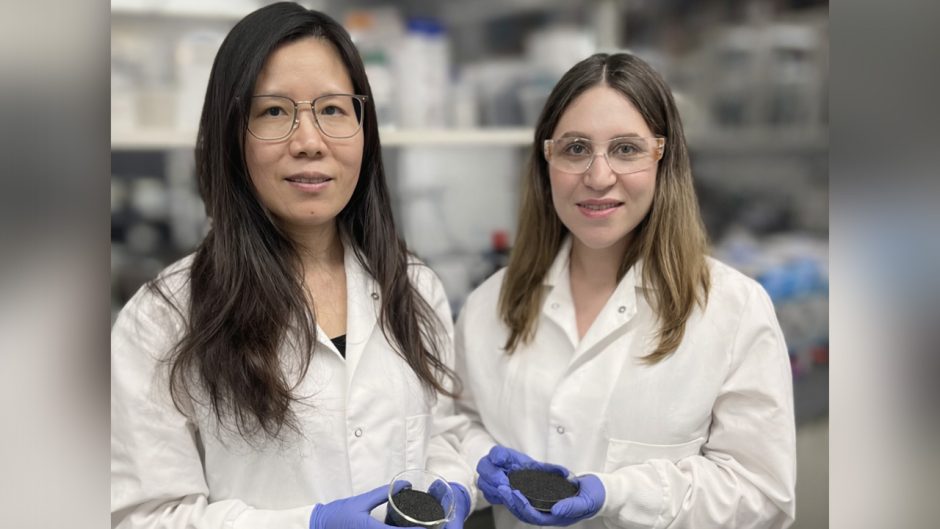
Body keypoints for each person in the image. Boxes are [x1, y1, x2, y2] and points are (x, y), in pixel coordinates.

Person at [111, 3, 473, 528]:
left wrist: (451, 487)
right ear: (233, 134)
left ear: (364, 128)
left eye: (332, 110)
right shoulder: (164, 318)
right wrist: (311, 524)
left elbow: (440, 437)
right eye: (275, 111)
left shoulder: (412, 287)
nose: (309, 142)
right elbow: (144, 517)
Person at [454, 52, 796, 529]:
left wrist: (617, 494)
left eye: (626, 149)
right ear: (546, 159)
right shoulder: (488, 305)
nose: (598, 177)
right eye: (575, 148)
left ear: (664, 157)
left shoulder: (733, 308)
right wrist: (479, 459)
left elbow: (763, 493)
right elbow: (462, 425)